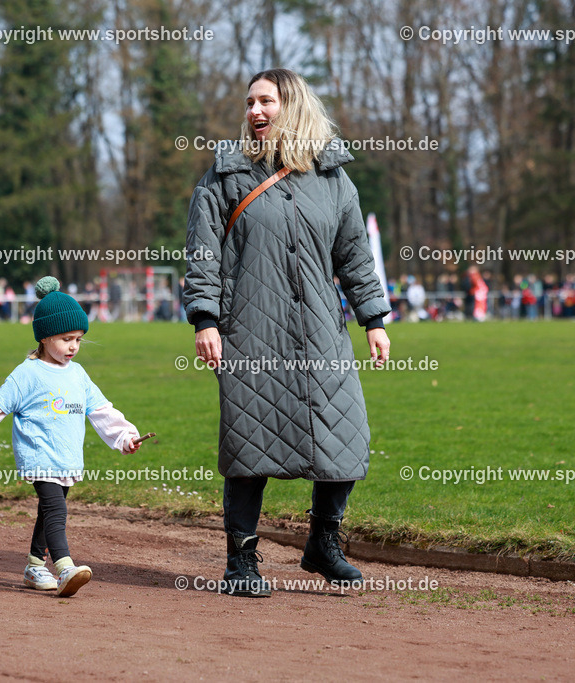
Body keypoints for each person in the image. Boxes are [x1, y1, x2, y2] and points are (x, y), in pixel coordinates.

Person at [183, 68, 391, 598]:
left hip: (322, 330)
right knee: (249, 442)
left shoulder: (333, 179)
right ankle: (241, 562)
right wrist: (206, 320)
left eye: (266, 102)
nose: (254, 111)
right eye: (249, 103)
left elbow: (355, 257)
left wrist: (373, 319)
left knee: (345, 438)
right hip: (250, 331)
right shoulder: (225, 177)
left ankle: (323, 543)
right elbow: (202, 255)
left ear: (292, 106)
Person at [0, 276, 143, 597]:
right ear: (44, 338)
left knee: (48, 512)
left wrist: (126, 436)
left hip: (67, 458)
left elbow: (101, 410)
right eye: (66, 339)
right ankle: (65, 566)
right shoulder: (26, 374)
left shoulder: (78, 374)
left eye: (79, 339)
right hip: (39, 457)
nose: (73, 346)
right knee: (56, 510)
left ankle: (33, 566)